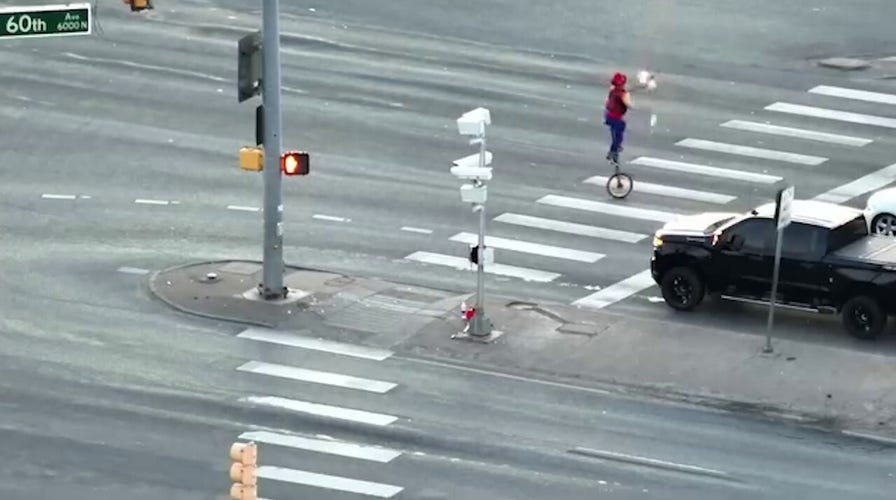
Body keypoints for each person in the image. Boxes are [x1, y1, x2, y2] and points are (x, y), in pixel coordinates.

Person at [604, 72, 633, 164]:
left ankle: (614, 151)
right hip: (616, 117)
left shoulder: (613, 90)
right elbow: (628, 104)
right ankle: (614, 152)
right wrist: (628, 99)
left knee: (614, 135)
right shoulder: (622, 94)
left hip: (609, 116)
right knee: (618, 136)